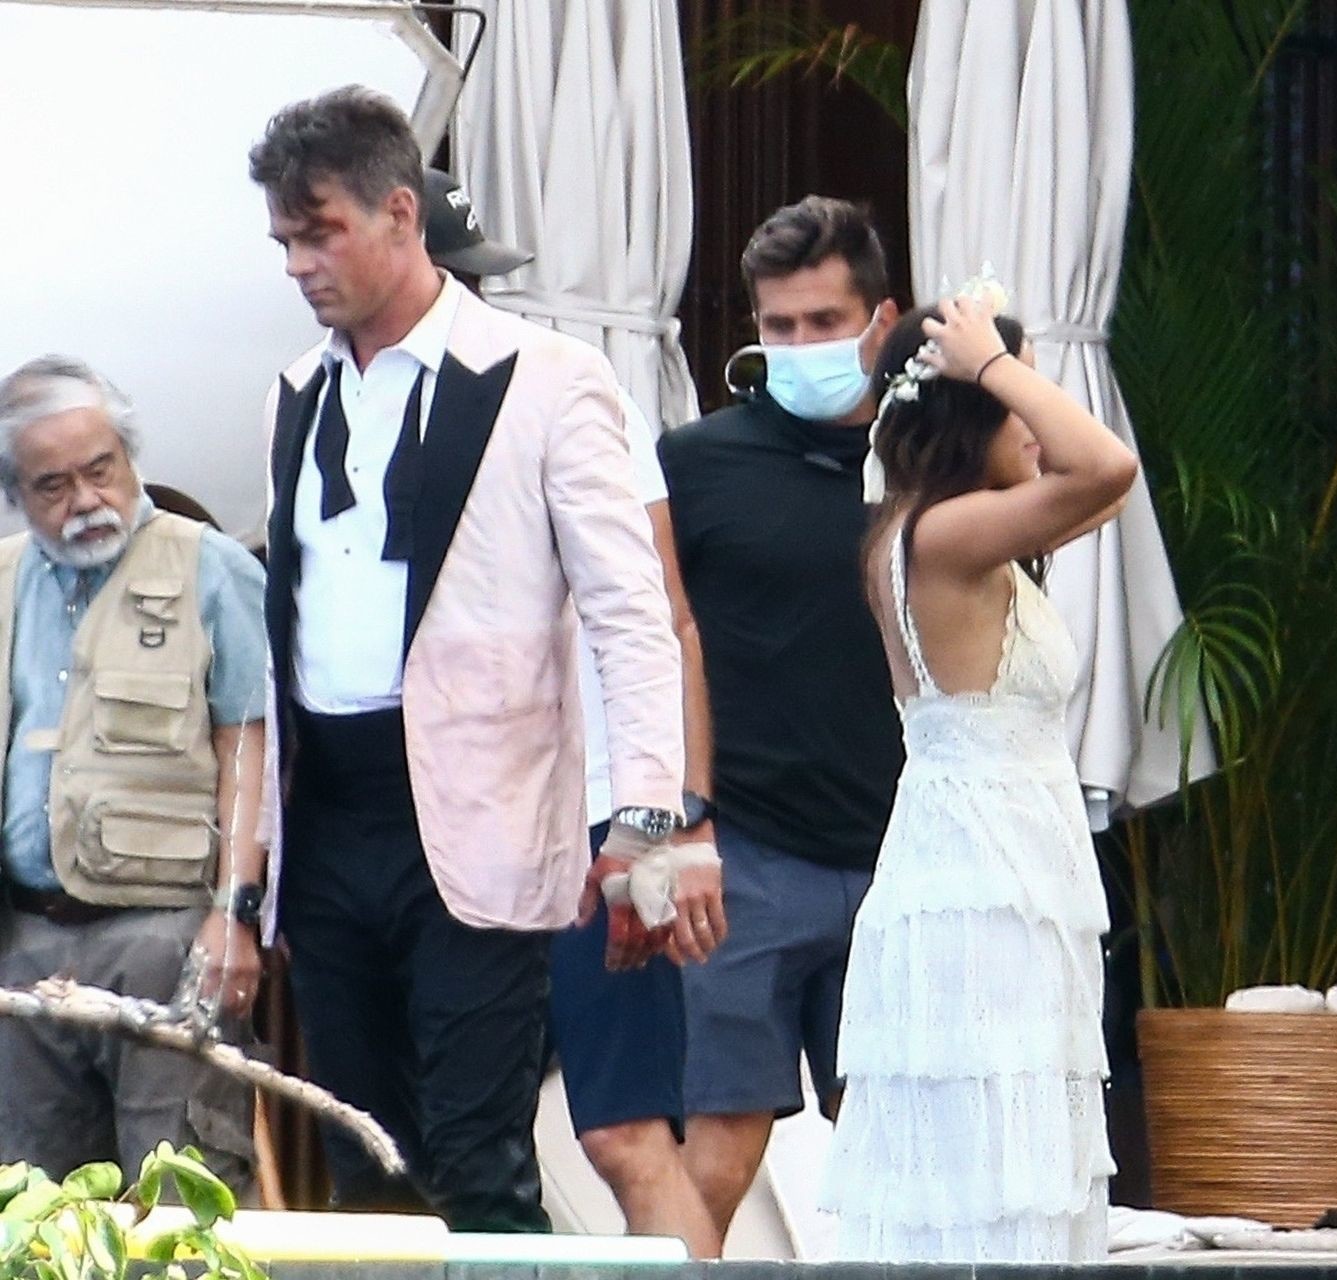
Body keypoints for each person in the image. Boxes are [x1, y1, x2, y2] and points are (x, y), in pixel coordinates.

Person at [247, 87, 687, 1231]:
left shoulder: (548, 376)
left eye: (320, 232)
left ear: (401, 213)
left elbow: (631, 610)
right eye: (285, 240)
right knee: (363, 1164)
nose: (299, 264)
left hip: (482, 807)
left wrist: (647, 814)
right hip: (328, 811)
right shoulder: (295, 391)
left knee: (477, 1159)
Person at [422, 167, 723, 1255]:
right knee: (449, 1138)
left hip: (594, 813)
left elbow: (667, 615)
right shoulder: (336, 408)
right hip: (438, 829)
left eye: (472, 285)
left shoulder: (565, 389)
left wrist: (677, 820)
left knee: (625, 1132)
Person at [820, 290, 1134, 1262]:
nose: (1036, 417)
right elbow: (1108, 465)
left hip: (1006, 859)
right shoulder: (941, 536)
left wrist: (997, 368)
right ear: (967, 412)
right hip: (981, 877)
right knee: (991, 1149)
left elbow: (1106, 484)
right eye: (1016, 398)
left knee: (1016, 1141)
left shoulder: (960, 529)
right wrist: (990, 360)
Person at [658, 196, 904, 1240]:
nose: (801, 345)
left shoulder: (930, 464)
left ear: (881, 318)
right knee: (718, 1150)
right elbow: (649, 641)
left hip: (902, 856)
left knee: (900, 1152)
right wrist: (680, 825)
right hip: (742, 858)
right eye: (779, 325)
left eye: (825, 321)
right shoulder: (693, 463)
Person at [0, 356, 267, 1193]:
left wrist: (235, 915)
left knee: (180, 1197)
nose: (85, 500)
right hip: (25, 943)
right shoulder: (3, 580)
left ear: (129, 456)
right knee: (31, 1207)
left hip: (166, 938)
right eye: (53, 485)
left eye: (100, 469)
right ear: (16, 494)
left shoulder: (210, 566)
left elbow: (251, 750)